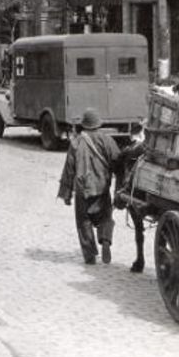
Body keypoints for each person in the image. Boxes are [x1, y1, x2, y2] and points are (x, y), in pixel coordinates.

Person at [58, 108, 123, 265]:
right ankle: (105, 239)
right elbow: (118, 162)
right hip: (102, 187)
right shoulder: (107, 140)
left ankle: (90, 255)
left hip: (83, 189)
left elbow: (69, 170)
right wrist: (119, 188)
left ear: (84, 125)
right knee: (105, 216)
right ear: (98, 124)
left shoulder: (76, 142)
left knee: (84, 221)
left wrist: (66, 194)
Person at [114, 123, 148, 273]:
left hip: (136, 192)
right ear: (142, 134)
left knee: (139, 228)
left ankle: (140, 259)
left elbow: (117, 168)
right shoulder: (145, 149)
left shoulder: (128, 152)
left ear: (131, 135)